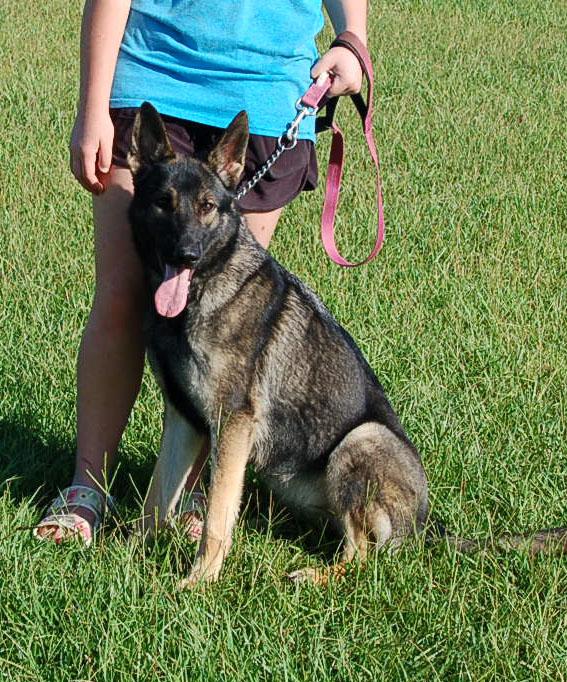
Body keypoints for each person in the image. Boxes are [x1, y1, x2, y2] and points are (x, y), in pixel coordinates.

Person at [35, 0, 368, 544]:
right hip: (153, 75)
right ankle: (86, 488)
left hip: (265, 93)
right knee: (122, 295)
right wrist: (92, 104)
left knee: (224, 332)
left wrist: (353, 36)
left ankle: (188, 496)